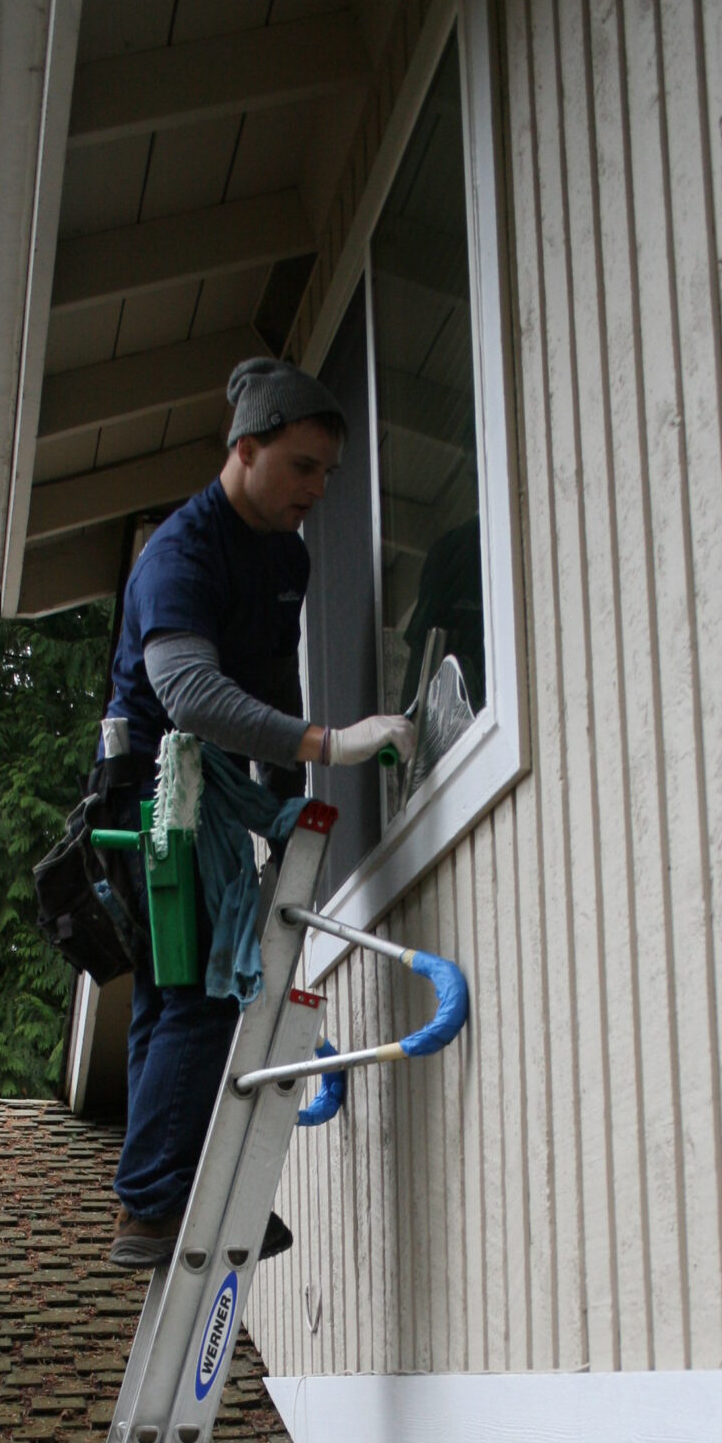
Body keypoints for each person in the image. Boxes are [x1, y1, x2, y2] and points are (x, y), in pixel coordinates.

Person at [102, 356, 416, 1269]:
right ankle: (157, 1206)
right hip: (156, 799)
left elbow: (270, 681)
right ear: (245, 449)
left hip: (216, 795)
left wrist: (286, 815)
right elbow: (191, 693)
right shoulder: (180, 555)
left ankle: (180, 1194)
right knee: (200, 992)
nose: (317, 489)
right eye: (302, 467)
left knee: (180, 999)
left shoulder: (283, 554)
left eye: (327, 472)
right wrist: (328, 745)